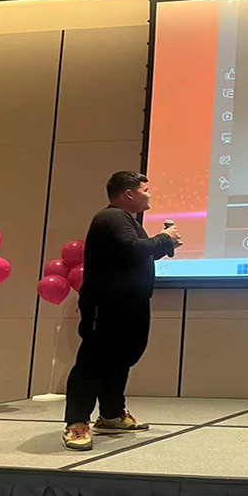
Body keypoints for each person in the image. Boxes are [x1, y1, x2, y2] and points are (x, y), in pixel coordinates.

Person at [62, 172, 181, 451]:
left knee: (120, 360)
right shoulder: (112, 217)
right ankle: (76, 422)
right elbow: (132, 248)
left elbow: (134, 254)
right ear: (129, 193)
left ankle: (111, 415)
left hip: (130, 303)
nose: (149, 195)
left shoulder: (126, 220)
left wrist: (166, 243)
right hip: (108, 304)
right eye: (145, 190)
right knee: (93, 362)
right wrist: (164, 237)